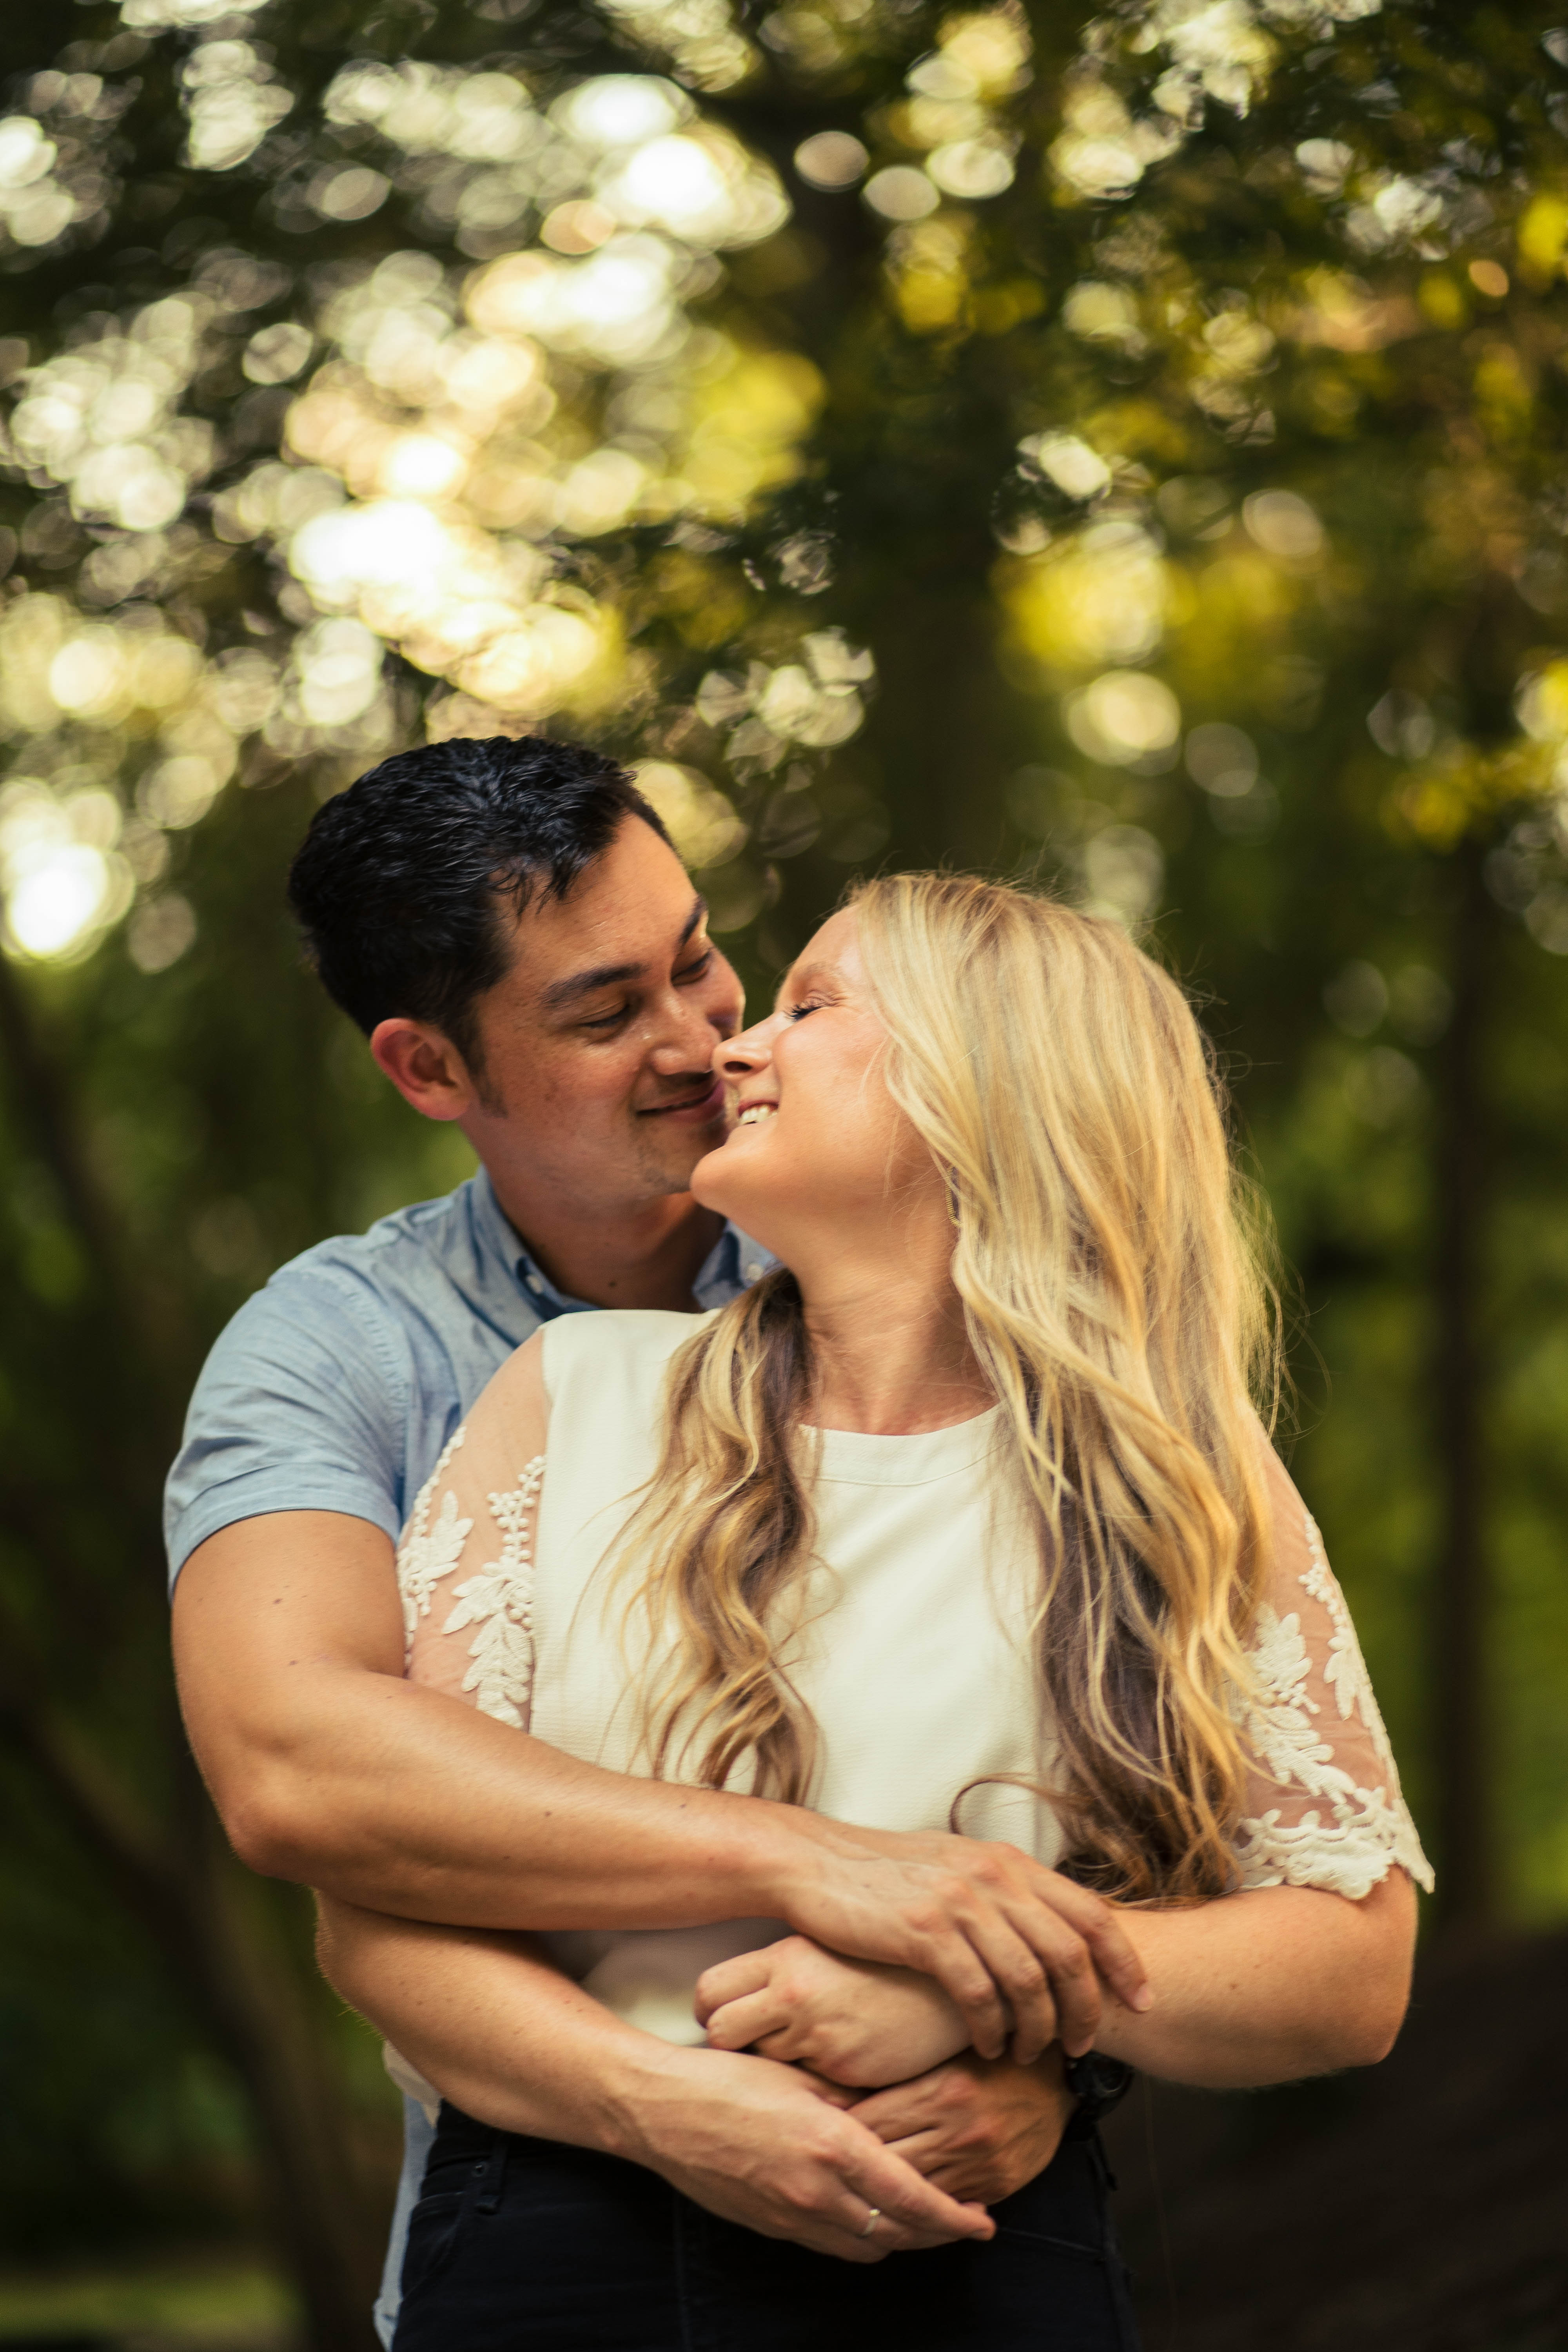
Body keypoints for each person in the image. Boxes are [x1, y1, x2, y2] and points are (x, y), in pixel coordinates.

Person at [317, 873, 1432, 2351]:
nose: (734, 1047)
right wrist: (666, 2108)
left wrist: (989, 2001)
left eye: (812, 1005)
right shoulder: (571, 1395)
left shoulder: (1186, 1483)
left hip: (978, 2259)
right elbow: (384, 1910)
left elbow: (1352, 1967)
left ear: (990, 1082)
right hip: (554, 2241)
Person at [169, 740, 1140, 2345]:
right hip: (555, 2228)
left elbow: (1158, 1764)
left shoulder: (894, 1226)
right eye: (607, 1013)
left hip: (959, 2226)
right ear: (428, 1071)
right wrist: (770, 1934)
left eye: (698, 958)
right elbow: (297, 1765)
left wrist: (1050, 2050)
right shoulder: (335, 1352)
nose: (702, 1038)